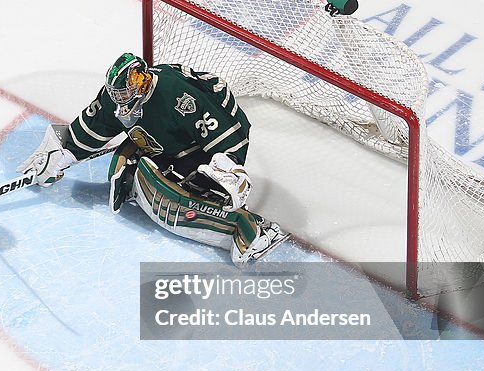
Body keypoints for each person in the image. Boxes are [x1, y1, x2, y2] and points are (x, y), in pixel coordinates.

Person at [17, 52, 287, 262]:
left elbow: (225, 129)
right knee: (127, 165)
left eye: (124, 93)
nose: (119, 99)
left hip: (203, 147)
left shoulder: (176, 94)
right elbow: (96, 124)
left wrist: (227, 164)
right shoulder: (116, 98)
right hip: (163, 147)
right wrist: (63, 155)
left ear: (142, 83)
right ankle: (149, 180)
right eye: (116, 93)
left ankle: (251, 228)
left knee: (178, 198)